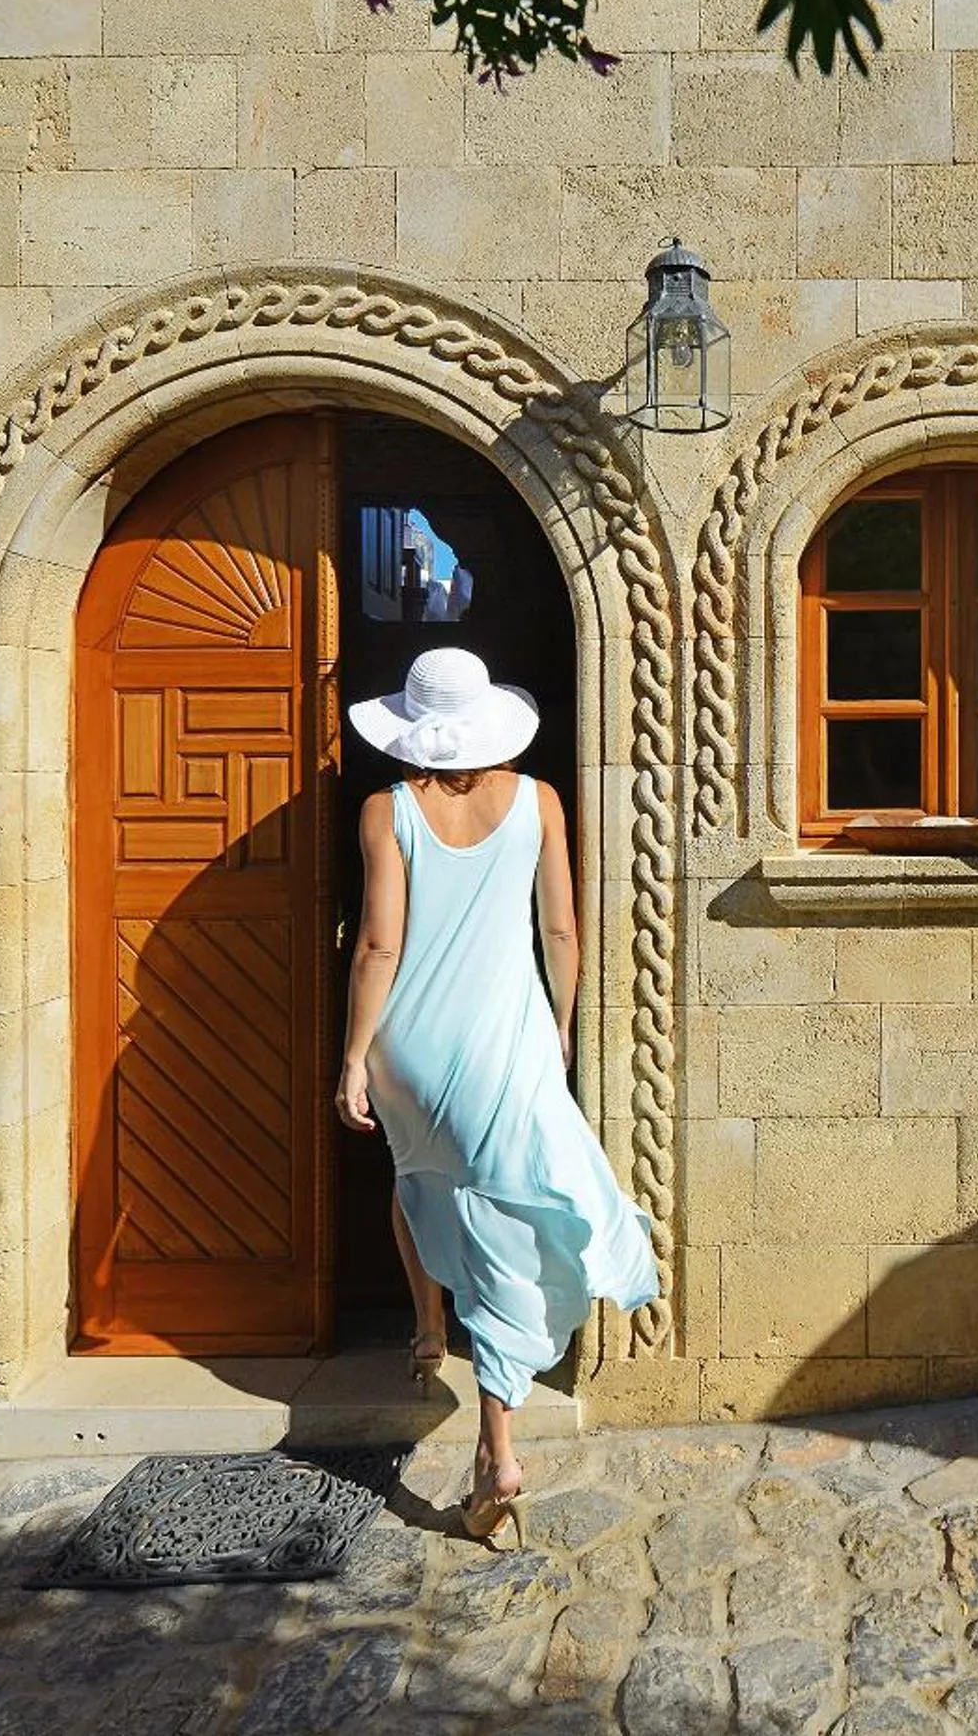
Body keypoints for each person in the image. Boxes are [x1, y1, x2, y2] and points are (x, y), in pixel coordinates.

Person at [335, 646, 660, 1547]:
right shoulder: (539, 800)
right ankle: (497, 1446)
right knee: (500, 1220)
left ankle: (426, 1324)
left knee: (418, 1179)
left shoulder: (386, 809)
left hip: (411, 1042)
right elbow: (561, 928)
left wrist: (354, 1056)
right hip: (506, 1041)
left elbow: (378, 946)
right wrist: (561, 1022)